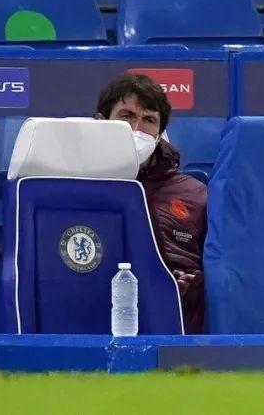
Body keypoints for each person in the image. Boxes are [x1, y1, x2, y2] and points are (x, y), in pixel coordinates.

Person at [94, 73, 206, 334]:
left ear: (159, 133)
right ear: (101, 121)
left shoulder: (196, 195)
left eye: (149, 120)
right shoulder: (74, 186)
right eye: (127, 116)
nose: (137, 129)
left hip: (173, 333)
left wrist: (192, 284)